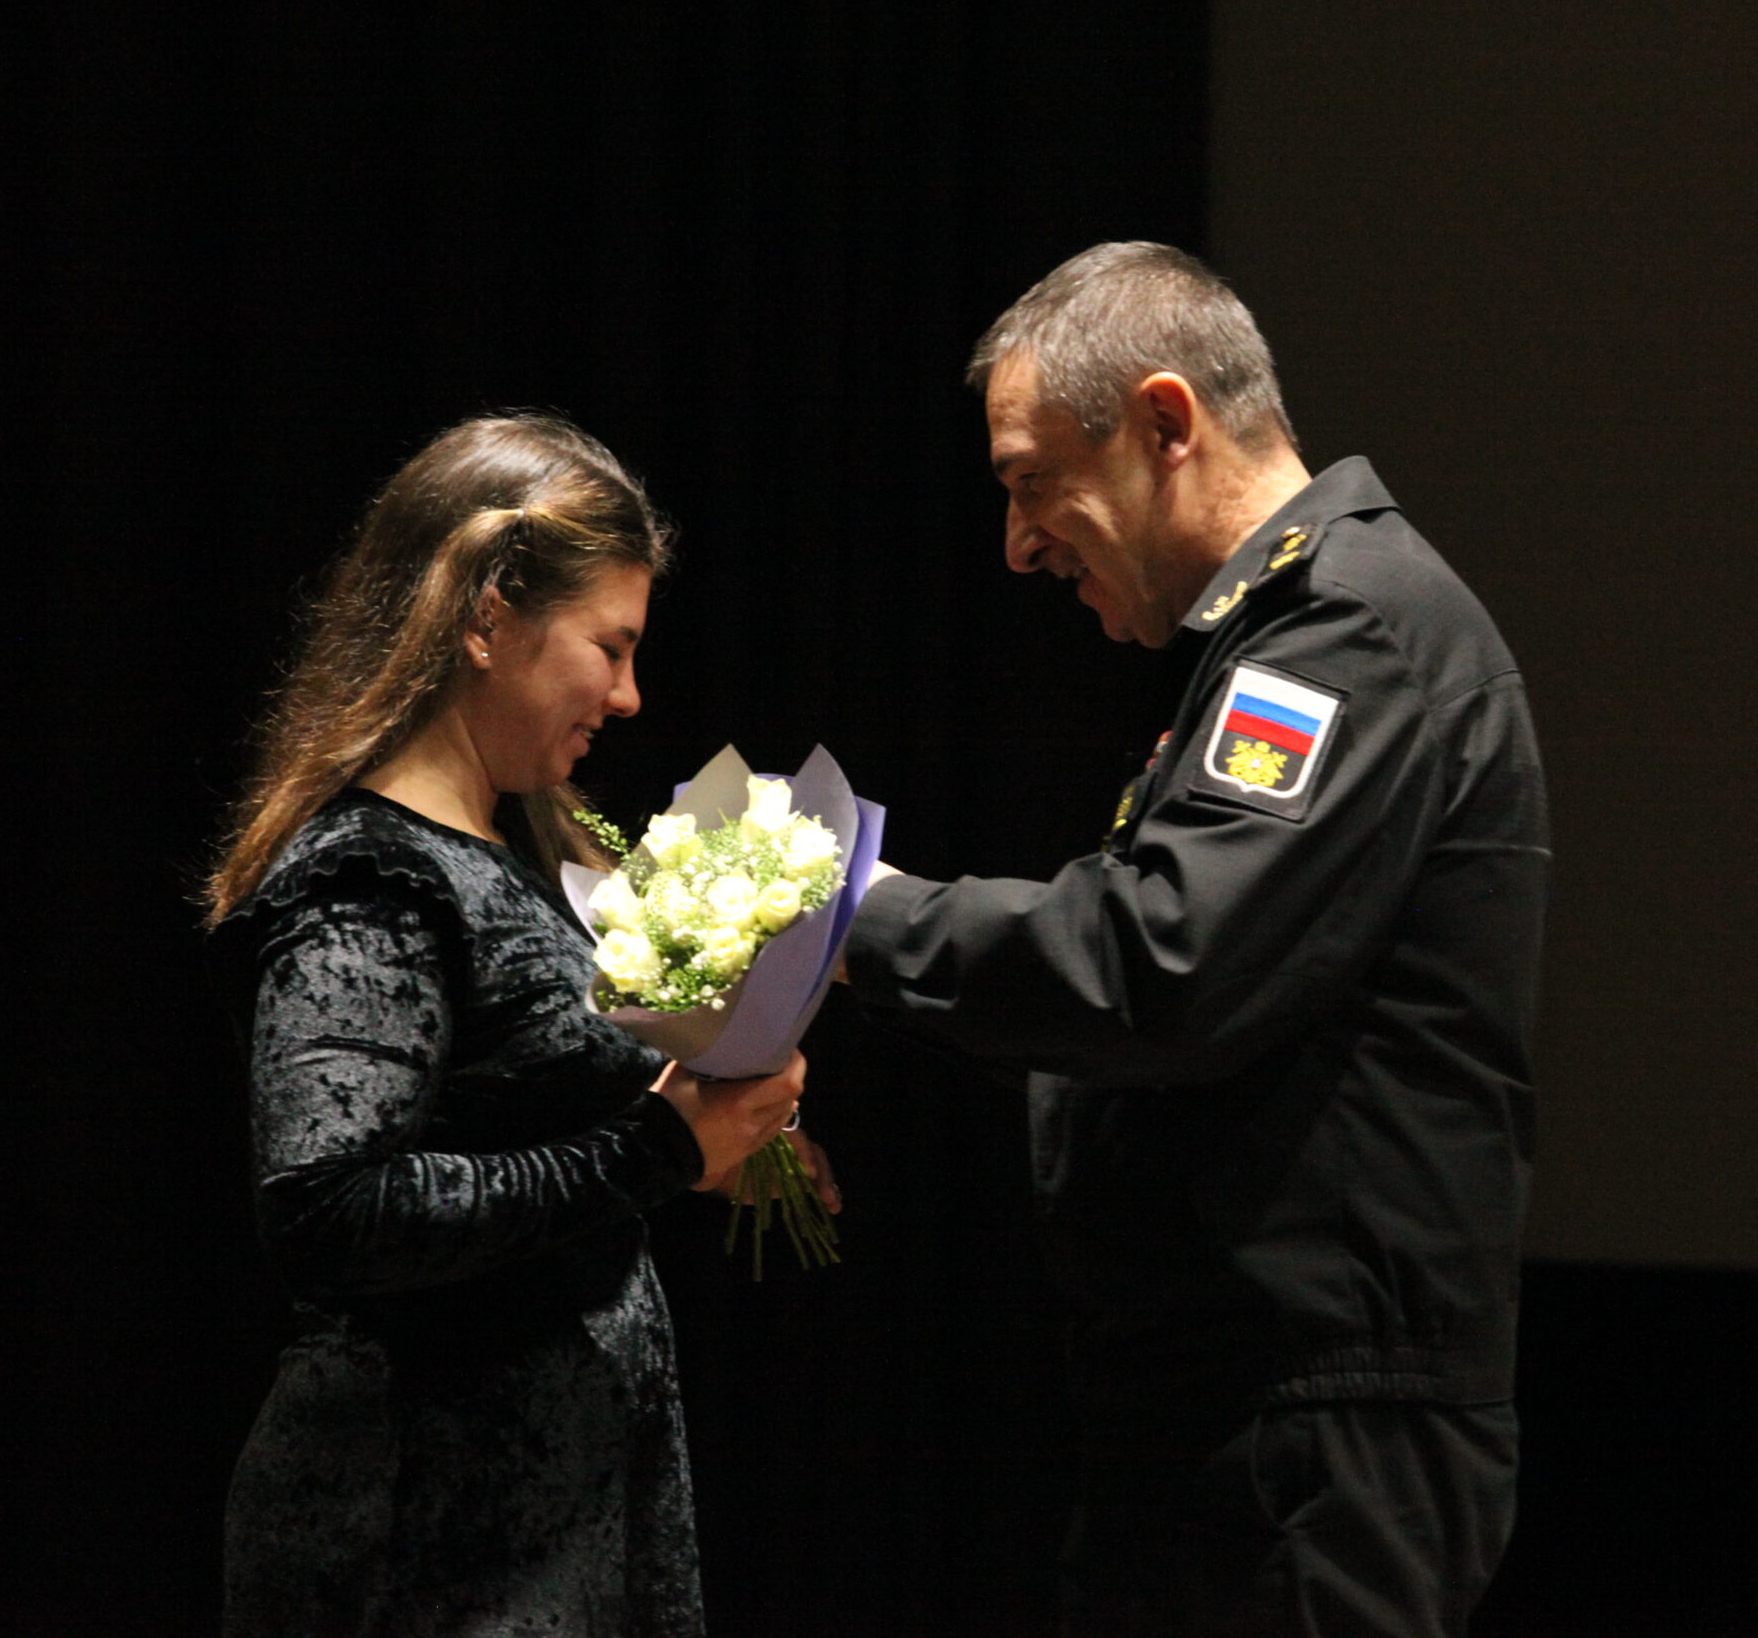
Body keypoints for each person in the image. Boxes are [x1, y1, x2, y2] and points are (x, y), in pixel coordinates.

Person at [844, 244, 1549, 1637]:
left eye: (1032, 479)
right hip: (1234, 1416)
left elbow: (1162, 962)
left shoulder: (1346, 635)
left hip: (1313, 1436)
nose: (1019, 541)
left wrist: (852, 911)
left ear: (1168, 423)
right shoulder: (1289, 637)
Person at [205, 412, 813, 1638]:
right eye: (611, 647)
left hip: (545, 1517)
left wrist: (707, 1133)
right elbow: (329, 1210)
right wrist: (657, 1152)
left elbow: (521, 1127)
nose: (631, 696)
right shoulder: (369, 875)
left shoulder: (521, 845)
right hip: (426, 1538)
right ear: (487, 616)